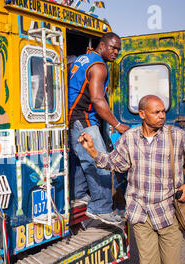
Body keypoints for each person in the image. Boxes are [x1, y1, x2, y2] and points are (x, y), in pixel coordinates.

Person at [78, 95, 185, 264]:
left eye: (163, 111)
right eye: (157, 112)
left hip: (168, 213)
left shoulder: (177, 136)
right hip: (140, 214)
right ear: (142, 114)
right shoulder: (129, 138)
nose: (162, 116)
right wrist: (93, 151)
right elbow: (115, 164)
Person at [68, 32, 130, 225]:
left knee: (81, 159)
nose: (116, 52)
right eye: (113, 47)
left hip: (73, 118)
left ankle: (79, 195)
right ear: (102, 45)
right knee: (101, 162)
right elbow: (96, 99)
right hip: (84, 118)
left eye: (119, 49)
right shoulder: (99, 67)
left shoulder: (82, 59)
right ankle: (101, 208)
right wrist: (117, 125)